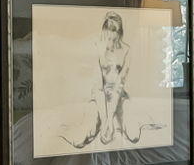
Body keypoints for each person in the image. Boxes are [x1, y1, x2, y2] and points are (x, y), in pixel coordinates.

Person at [65, 11, 154, 149]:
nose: (111, 43)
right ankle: (97, 122)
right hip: (99, 96)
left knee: (134, 136)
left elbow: (119, 85)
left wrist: (111, 118)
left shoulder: (127, 50)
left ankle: (113, 121)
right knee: (82, 138)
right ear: (104, 32)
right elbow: (99, 87)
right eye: (108, 38)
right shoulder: (97, 47)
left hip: (119, 97)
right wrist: (106, 119)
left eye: (114, 39)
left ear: (120, 34)